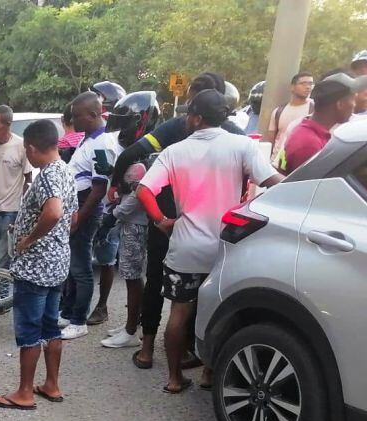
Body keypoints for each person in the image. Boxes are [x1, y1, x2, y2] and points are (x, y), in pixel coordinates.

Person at [137, 90, 283, 394]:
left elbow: (144, 190)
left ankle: (175, 378)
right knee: (222, 313)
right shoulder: (242, 145)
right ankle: (209, 373)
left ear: (196, 117)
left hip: (186, 247)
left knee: (179, 313)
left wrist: (161, 221)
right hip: (226, 247)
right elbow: (273, 182)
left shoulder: (175, 151)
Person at [108, 72, 245, 370]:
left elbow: (133, 153)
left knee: (157, 279)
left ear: (196, 108)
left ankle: (146, 349)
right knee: (207, 290)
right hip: (219, 227)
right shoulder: (236, 136)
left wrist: (116, 185)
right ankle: (191, 353)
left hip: (168, 219)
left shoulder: (175, 130)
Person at [0, 119, 76, 411]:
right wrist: (57, 239)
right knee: (51, 326)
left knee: (29, 328)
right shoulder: (66, 171)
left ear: (30, 147)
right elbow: (71, 217)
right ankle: (51, 384)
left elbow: (53, 212)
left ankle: (24, 392)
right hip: (57, 263)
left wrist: (28, 239)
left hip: (35, 266)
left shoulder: (47, 177)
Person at [101, 91, 161, 349]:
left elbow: (135, 198)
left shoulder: (143, 161)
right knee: (133, 275)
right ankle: (131, 322)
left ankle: (130, 331)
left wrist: (111, 216)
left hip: (136, 224)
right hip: (133, 222)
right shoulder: (138, 157)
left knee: (133, 276)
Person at [60, 91, 122, 340]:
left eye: (78, 116)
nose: (74, 121)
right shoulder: (88, 139)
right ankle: (68, 312)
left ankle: (79, 320)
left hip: (86, 206)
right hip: (78, 204)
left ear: (94, 114)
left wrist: (78, 217)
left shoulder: (101, 143)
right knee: (73, 265)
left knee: (81, 267)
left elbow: (99, 188)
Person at [278, 72, 365, 174]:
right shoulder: (309, 145)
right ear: (340, 104)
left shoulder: (309, 133)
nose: (354, 105)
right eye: (353, 99)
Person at [0, 105, 33, 269]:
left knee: (1, 257)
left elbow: (28, 179)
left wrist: (22, 207)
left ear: (7, 124)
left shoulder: (20, 146)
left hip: (11, 211)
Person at [265, 72, 314, 162]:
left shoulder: (315, 109)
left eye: (310, 84)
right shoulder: (278, 112)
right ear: (292, 87)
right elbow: (271, 139)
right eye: (303, 83)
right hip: (276, 162)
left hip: (300, 162)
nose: (308, 87)